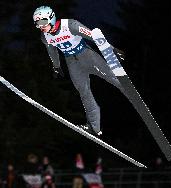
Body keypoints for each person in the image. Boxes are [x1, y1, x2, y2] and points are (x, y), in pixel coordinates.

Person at [33, 6, 127, 136]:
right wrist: (56, 66)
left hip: (87, 56)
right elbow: (52, 51)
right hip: (72, 63)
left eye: (42, 22)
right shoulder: (45, 37)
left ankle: (131, 94)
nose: (41, 27)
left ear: (51, 18)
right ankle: (94, 127)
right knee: (84, 92)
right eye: (37, 24)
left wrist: (112, 49)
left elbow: (93, 36)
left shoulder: (71, 25)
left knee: (111, 78)